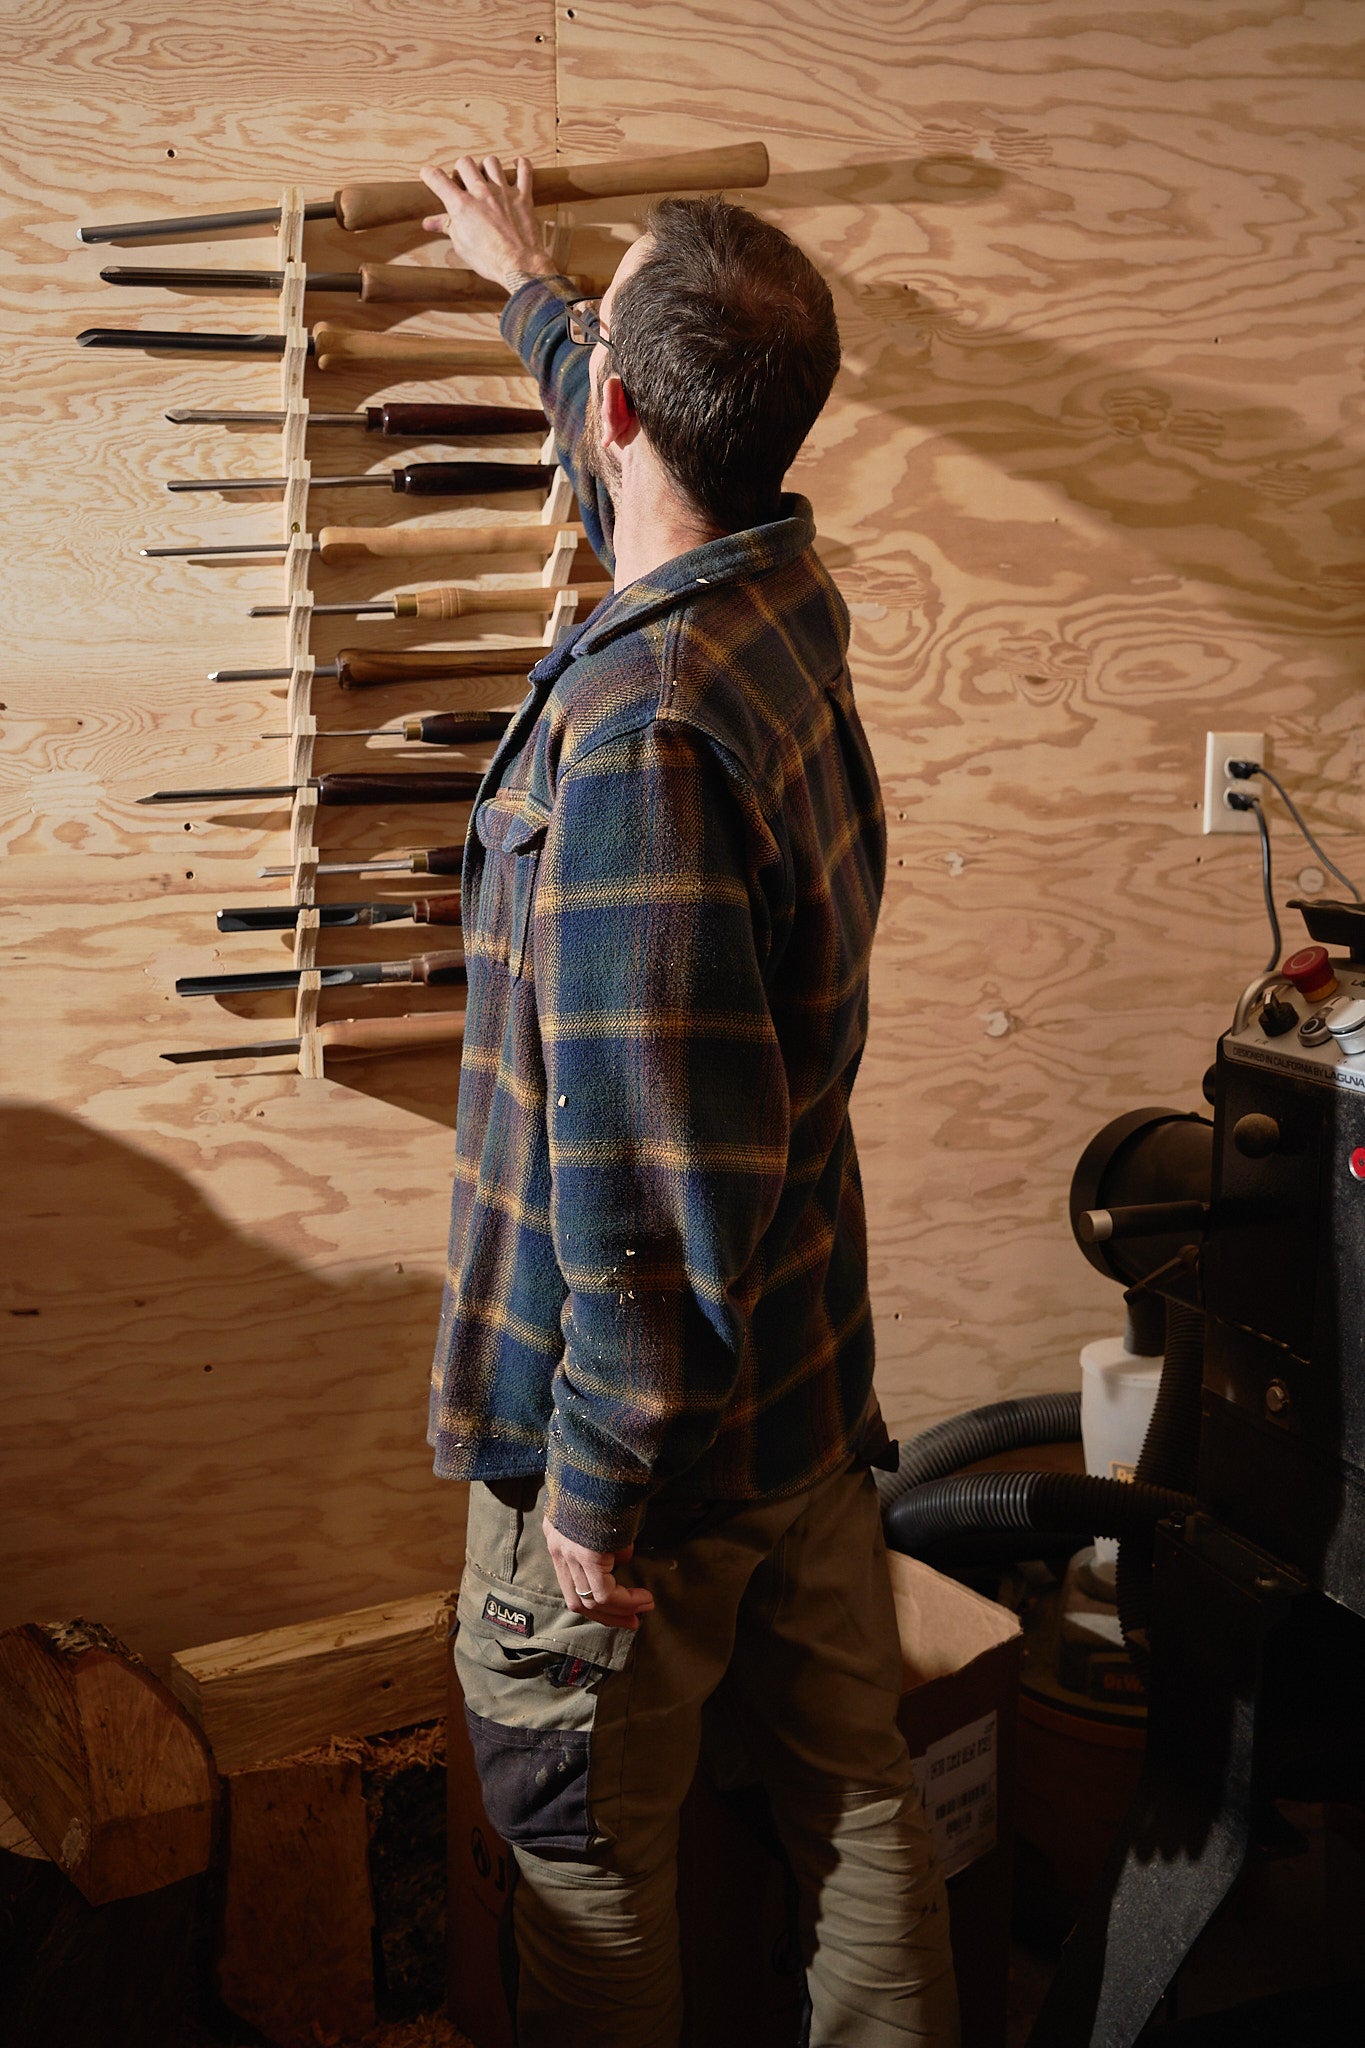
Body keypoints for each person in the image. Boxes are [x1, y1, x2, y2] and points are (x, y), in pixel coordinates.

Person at [418, 151, 959, 2048]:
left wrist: (587, 1483)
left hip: (639, 1462)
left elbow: (639, 1172)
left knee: (582, 1865)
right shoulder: (767, 592)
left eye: (603, 345)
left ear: (634, 407)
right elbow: (630, 421)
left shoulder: (644, 732)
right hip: (802, 1393)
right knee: (861, 1799)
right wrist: (532, 292)